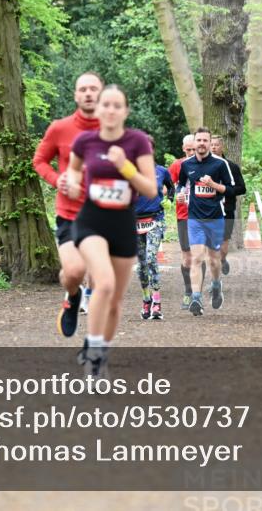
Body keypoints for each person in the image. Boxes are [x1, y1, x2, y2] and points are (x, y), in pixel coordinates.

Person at [64, 85, 157, 378]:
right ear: (99, 109)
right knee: (102, 284)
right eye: (107, 104)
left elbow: (150, 188)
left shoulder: (137, 142)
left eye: (118, 105)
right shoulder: (85, 142)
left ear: (125, 111)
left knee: (115, 302)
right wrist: (73, 183)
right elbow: (74, 171)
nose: (111, 110)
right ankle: (92, 353)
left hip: (123, 225)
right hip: (91, 220)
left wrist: (125, 167)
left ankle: (101, 351)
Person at [33, 72, 102, 335]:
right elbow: (39, 160)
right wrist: (56, 178)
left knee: (97, 274)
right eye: (82, 89)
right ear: (75, 95)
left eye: (93, 88)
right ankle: (73, 297)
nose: (88, 93)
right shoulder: (59, 128)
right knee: (73, 272)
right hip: (70, 213)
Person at [176, 127, 234, 316]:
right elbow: (181, 186)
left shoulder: (220, 164)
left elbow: (232, 189)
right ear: (194, 143)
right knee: (197, 257)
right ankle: (196, 298)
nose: (201, 143)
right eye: (198, 140)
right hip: (194, 219)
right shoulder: (187, 165)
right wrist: (180, 195)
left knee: (214, 261)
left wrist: (213, 185)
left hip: (216, 218)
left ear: (210, 143)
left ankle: (216, 285)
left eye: (205, 140)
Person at [134, 139, 176, 321]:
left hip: (155, 220)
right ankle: (146, 299)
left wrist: (169, 201)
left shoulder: (161, 171)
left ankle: (157, 302)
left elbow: (172, 187)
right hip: (134, 222)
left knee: (151, 258)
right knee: (141, 265)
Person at [168, 134, 199, 309]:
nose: (190, 153)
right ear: (183, 149)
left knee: (199, 255)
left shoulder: (205, 164)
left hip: (201, 216)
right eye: (188, 150)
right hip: (184, 216)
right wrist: (174, 195)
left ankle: (197, 293)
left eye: (193, 150)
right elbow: (166, 186)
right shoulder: (177, 165)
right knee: (187, 257)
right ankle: (188, 291)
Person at [211, 135, 247, 275]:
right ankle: (215, 276)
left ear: (222, 147)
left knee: (223, 242)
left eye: (216, 145)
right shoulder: (203, 167)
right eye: (211, 145)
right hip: (208, 210)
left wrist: (224, 189)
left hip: (226, 209)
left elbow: (241, 188)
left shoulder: (232, 167)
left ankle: (223, 259)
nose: (213, 147)